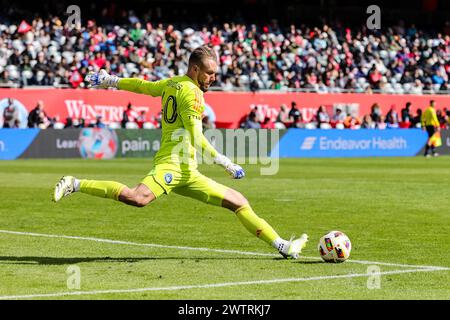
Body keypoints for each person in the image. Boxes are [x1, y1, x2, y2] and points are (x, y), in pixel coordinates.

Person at [53, 45, 308, 259]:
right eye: (209, 73)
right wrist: (225, 162)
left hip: (188, 171)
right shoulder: (194, 94)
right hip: (171, 165)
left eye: (215, 74)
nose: (213, 78)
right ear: (195, 69)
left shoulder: (173, 83)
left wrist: (111, 81)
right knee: (137, 198)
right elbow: (196, 136)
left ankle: (284, 246)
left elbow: (143, 85)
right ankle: (75, 183)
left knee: (238, 202)